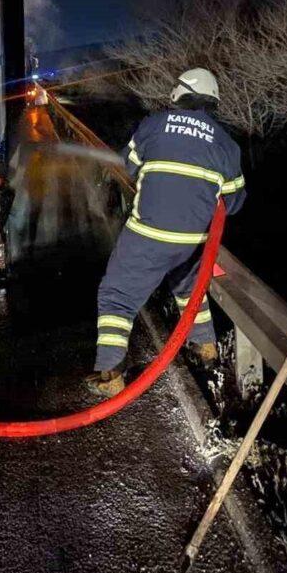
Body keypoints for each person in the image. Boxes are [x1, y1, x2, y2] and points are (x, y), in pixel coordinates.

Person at [88, 68, 246, 398]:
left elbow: (127, 166)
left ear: (178, 94)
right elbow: (233, 203)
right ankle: (206, 351)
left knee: (117, 294)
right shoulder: (227, 144)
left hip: (148, 236)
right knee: (190, 291)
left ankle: (110, 374)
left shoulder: (155, 125)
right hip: (192, 243)